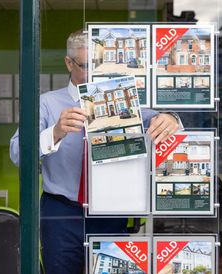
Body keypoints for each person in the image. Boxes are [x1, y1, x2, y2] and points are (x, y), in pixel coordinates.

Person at [10, 29, 181, 274]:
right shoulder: (46, 103)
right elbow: (17, 153)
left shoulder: (122, 99)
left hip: (111, 209)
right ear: (69, 63)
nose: (97, 74)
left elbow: (160, 120)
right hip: (61, 213)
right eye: (87, 66)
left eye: (101, 65)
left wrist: (171, 117)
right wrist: (55, 132)